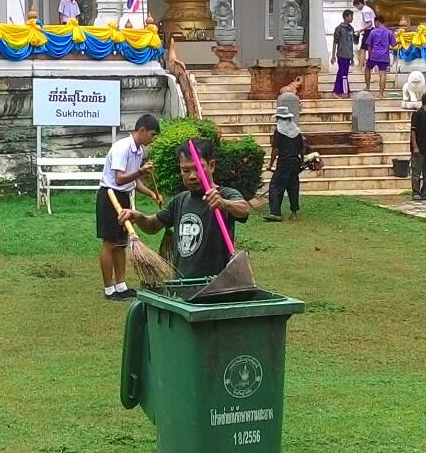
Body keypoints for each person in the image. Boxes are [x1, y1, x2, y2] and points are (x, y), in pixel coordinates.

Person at [121, 138, 251, 280]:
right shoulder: (180, 200)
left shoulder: (225, 194)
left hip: (216, 285)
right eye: (186, 170)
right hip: (183, 283)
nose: (192, 176)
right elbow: (152, 226)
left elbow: (244, 209)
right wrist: (139, 217)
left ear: (212, 166)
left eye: (198, 168)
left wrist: (224, 203)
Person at [97, 114, 163, 301]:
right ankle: (109, 289)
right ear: (141, 130)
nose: (153, 139)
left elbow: (134, 181)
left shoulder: (139, 150)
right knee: (110, 243)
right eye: (152, 134)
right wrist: (140, 171)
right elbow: (119, 178)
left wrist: (152, 193)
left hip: (124, 196)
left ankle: (121, 286)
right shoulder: (122, 148)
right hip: (110, 195)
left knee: (122, 244)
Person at [266, 95, 304, 222]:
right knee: (293, 186)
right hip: (295, 162)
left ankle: (275, 212)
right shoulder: (297, 131)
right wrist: (302, 162)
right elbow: (301, 148)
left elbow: (275, 149)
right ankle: (294, 212)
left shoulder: (279, 131)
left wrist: (270, 164)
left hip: (284, 162)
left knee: (276, 186)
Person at [362, 19, 396, 96]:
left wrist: (369, 56)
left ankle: (367, 87)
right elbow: (393, 44)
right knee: (382, 74)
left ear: (377, 22)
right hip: (384, 56)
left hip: (374, 55)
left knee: (367, 69)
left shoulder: (373, 32)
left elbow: (369, 46)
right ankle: (381, 94)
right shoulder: (389, 32)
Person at [332, 9, 356, 98]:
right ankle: (342, 91)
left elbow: (351, 44)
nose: (352, 18)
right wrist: (333, 55)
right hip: (341, 54)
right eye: (351, 16)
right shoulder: (339, 29)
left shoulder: (351, 29)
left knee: (344, 73)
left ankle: (342, 90)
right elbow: (335, 42)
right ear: (346, 17)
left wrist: (352, 57)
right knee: (342, 73)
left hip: (348, 55)